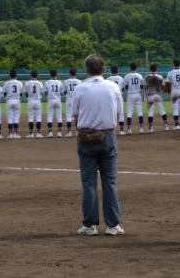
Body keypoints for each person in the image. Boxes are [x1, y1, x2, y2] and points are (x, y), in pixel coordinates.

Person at [72, 54, 124, 236]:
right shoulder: (113, 87)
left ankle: (90, 225)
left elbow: (75, 115)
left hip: (86, 138)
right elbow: (118, 114)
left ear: (86, 70)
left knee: (88, 182)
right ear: (103, 69)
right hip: (107, 136)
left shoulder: (79, 88)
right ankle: (113, 225)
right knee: (110, 181)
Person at [144, 64, 169, 132]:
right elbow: (163, 87)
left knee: (150, 112)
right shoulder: (160, 77)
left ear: (150, 69)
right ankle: (166, 126)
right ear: (156, 69)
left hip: (150, 95)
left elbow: (145, 87)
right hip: (158, 95)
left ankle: (151, 128)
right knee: (162, 111)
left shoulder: (146, 77)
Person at [123, 62, 144, 134]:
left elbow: (126, 87)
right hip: (138, 94)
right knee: (139, 111)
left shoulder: (127, 76)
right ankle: (141, 128)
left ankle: (129, 129)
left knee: (129, 112)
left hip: (130, 94)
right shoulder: (140, 76)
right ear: (136, 67)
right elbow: (141, 86)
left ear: (130, 67)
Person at [3, 69, 24, 139]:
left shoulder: (6, 83)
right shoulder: (19, 83)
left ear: (9, 75)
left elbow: (4, 93)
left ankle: (10, 134)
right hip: (17, 100)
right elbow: (21, 93)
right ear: (16, 75)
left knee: (10, 118)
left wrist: (8, 98)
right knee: (16, 118)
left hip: (9, 100)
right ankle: (15, 134)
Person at [44, 69, 66, 138]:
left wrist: (47, 98)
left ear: (50, 74)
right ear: (56, 74)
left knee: (49, 116)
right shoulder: (60, 82)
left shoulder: (47, 82)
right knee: (59, 116)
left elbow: (46, 92)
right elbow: (61, 92)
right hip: (58, 99)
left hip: (50, 99)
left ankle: (50, 132)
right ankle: (59, 132)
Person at [24, 70, 44, 139]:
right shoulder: (40, 83)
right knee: (38, 118)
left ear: (31, 75)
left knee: (30, 118)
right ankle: (38, 133)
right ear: (37, 75)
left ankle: (31, 133)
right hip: (38, 101)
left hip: (30, 101)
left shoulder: (27, 83)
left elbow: (26, 93)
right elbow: (41, 92)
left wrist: (29, 98)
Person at [106, 66, 126, 134]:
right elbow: (123, 89)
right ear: (117, 71)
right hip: (119, 96)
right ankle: (121, 130)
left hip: (111, 97)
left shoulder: (108, 79)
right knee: (121, 113)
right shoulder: (121, 78)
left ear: (111, 71)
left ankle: (110, 130)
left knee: (110, 113)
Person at [63, 68, 81, 137]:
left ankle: (69, 132)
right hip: (76, 99)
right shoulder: (79, 81)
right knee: (77, 115)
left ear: (69, 73)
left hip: (69, 98)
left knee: (68, 116)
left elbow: (65, 91)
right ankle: (77, 131)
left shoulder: (66, 81)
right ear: (76, 73)